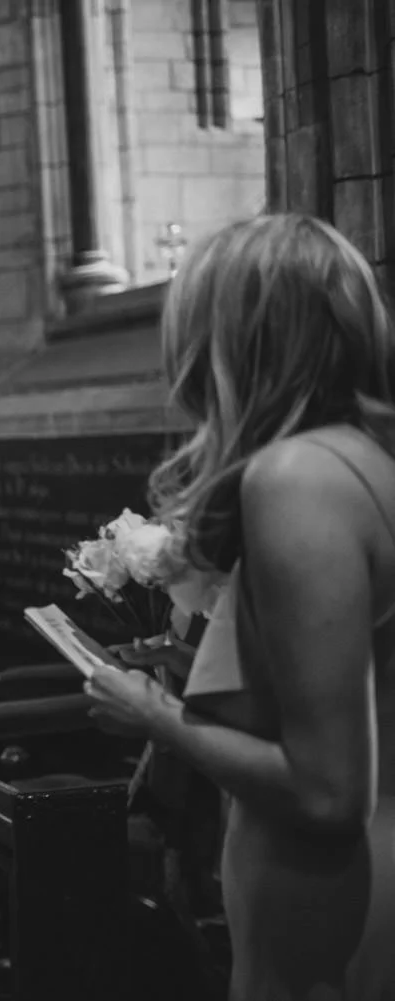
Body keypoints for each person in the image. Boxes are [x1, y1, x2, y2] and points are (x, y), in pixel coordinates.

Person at [84, 213, 395, 1000]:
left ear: (230, 339)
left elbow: (329, 791)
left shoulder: (298, 479)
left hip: (328, 913)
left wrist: (153, 713)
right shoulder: (361, 459)